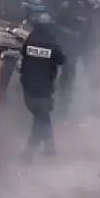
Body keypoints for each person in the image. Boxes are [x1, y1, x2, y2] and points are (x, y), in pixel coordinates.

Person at [19, 12, 66, 164]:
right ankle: (28, 153)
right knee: (41, 120)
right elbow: (61, 59)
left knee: (43, 117)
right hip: (44, 88)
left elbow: (23, 56)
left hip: (29, 87)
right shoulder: (51, 43)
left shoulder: (30, 40)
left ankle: (50, 147)